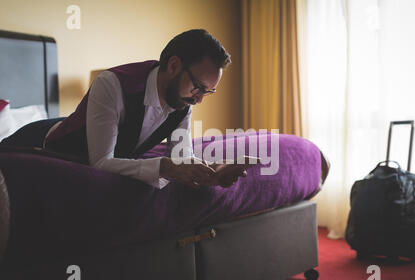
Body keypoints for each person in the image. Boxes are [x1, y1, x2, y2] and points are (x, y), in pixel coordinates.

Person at [1, 29, 246, 188]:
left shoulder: (183, 101)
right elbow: (100, 163)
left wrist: (212, 170)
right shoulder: (112, 85)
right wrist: (164, 167)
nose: (200, 99)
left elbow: (180, 158)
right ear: (173, 66)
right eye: (198, 87)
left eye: (208, 91)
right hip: (39, 139)